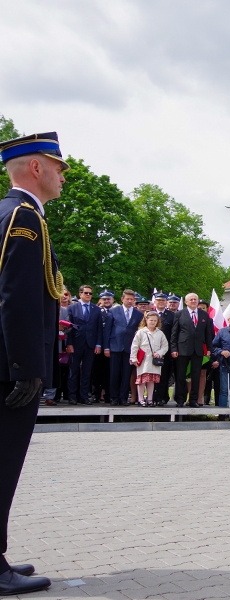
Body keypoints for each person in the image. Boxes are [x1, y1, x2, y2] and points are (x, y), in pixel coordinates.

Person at [0, 131, 69, 595]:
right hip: (9, 369)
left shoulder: (11, 212)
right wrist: (27, 367)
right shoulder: (23, 217)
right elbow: (16, 299)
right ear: (37, 167)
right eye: (58, 166)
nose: (64, 175)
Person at [170, 293, 213, 407]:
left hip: (198, 350)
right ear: (186, 302)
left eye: (195, 299)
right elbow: (174, 333)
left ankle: (193, 399)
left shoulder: (204, 315)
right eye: (191, 299)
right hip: (182, 349)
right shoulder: (179, 314)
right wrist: (173, 348)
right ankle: (180, 399)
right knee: (180, 375)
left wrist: (209, 348)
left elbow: (208, 333)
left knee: (196, 375)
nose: (193, 301)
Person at [103, 290, 143, 406]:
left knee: (127, 374)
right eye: (127, 299)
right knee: (114, 373)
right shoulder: (113, 311)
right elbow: (107, 330)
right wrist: (106, 347)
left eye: (132, 299)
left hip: (130, 348)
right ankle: (113, 397)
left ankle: (123, 398)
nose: (130, 301)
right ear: (122, 299)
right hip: (115, 346)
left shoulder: (138, 314)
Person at [65, 285, 103, 405]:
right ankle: (72, 396)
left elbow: (99, 329)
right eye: (86, 293)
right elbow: (68, 328)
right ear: (80, 294)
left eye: (90, 293)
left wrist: (98, 344)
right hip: (76, 343)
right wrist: (69, 343)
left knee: (87, 372)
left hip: (90, 344)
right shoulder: (72, 308)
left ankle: (84, 396)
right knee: (73, 371)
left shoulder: (96, 309)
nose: (88, 295)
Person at [129, 311, 168, 406]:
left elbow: (165, 346)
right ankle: (141, 399)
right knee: (142, 380)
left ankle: (150, 399)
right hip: (143, 360)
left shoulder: (160, 333)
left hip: (154, 361)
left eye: (155, 320)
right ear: (146, 320)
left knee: (151, 380)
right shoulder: (141, 332)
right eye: (151, 320)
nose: (153, 322)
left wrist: (159, 353)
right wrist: (133, 358)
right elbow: (135, 345)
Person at [153, 293, 177, 405]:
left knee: (164, 375)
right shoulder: (149, 314)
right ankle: (152, 397)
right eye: (158, 300)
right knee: (152, 374)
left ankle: (162, 397)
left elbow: (174, 334)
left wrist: (172, 349)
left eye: (163, 300)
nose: (161, 302)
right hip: (151, 350)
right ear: (155, 302)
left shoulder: (171, 316)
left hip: (166, 350)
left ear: (166, 302)